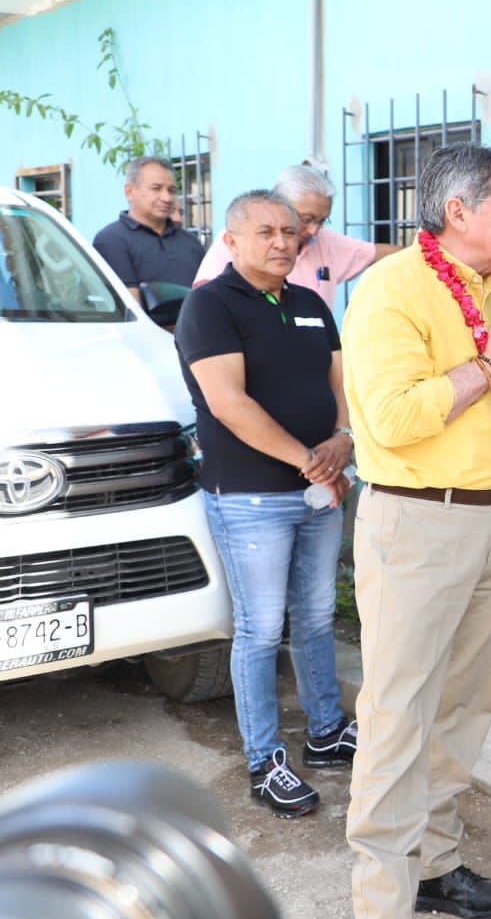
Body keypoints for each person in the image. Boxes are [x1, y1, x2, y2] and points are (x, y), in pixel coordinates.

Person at [341, 143, 491, 919]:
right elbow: (389, 418)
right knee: (398, 718)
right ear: (458, 212)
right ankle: (383, 917)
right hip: (419, 526)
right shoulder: (392, 288)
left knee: (462, 708)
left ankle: (433, 863)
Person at [174, 189, 358, 819]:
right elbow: (229, 404)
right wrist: (309, 459)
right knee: (260, 628)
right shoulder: (209, 306)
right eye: (266, 233)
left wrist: (342, 439)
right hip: (252, 496)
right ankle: (264, 760)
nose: (283, 242)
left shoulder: (310, 303)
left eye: (290, 231)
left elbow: (340, 387)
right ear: (231, 241)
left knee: (312, 620)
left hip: (320, 489)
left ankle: (327, 733)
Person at [194, 164, 400, 306]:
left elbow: (377, 253)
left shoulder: (324, 241)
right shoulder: (242, 239)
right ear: (278, 205)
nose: (314, 230)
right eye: (306, 218)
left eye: (321, 220)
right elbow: (204, 300)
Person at [93, 156, 206, 292]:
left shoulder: (190, 242)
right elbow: (130, 305)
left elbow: (205, 295)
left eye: (171, 190)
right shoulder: (111, 240)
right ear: (129, 192)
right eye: (156, 188)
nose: (167, 198)